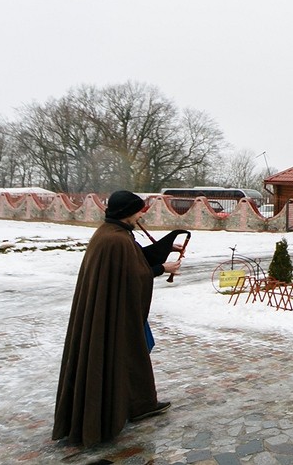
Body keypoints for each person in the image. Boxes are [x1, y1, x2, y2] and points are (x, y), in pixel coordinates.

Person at [53, 191, 183, 446]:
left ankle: (140, 403)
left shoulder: (111, 234)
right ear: (127, 213)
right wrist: (161, 269)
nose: (139, 217)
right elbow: (133, 274)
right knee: (127, 352)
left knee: (134, 352)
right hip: (113, 316)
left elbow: (131, 261)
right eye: (137, 212)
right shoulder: (116, 240)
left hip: (115, 311)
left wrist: (165, 247)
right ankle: (122, 409)